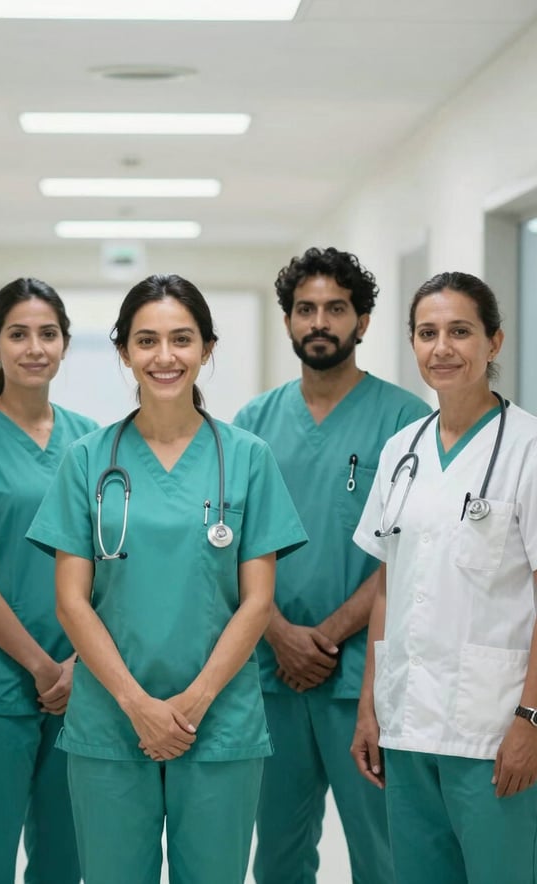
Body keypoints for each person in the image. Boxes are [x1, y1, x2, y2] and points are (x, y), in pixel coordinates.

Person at [25, 273, 307, 884]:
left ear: (207, 348)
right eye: (147, 341)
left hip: (220, 721)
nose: (165, 357)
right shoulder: (89, 460)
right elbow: (72, 602)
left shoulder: (248, 458)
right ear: (124, 351)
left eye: (182, 339)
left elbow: (258, 603)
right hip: (109, 719)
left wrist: (192, 704)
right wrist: (137, 706)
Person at [234, 246, 430, 884]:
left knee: (384, 851)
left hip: (364, 678)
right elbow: (227, 547)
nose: (320, 322)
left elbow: (410, 553)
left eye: (336, 309)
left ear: (363, 321)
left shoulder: (406, 423)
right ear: (288, 320)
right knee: (279, 854)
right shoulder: (251, 426)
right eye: (306, 309)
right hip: (270, 672)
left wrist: (326, 635)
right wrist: (279, 633)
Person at [352, 271, 537, 884]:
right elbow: (388, 584)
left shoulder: (529, 449)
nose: (442, 348)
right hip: (407, 722)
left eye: (460, 331)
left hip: (493, 730)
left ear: (495, 342)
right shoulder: (402, 451)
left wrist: (531, 719)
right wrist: (369, 709)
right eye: (427, 333)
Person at [0, 278, 97, 884]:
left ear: (64, 345)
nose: (34, 347)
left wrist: (78, 664)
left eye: (48, 334)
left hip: (82, 677)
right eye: (18, 334)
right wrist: (41, 667)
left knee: (66, 855)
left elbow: (109, 563)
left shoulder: (92, 439)